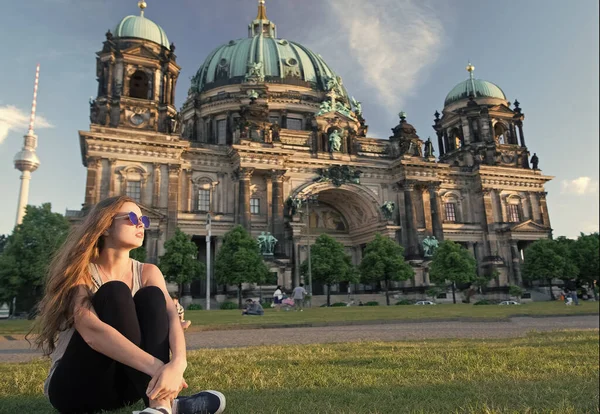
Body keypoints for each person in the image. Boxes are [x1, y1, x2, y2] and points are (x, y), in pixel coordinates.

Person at [30, 196, 225, 414]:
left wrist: (178, 364)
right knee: (115, 291)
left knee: (152, 296)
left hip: (126, 390)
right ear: (104, 227)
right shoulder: (80, 272)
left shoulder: (149, 272)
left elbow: (172, 318)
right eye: (132, 218)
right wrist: (159, 368)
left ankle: (160, 406)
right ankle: (173, 405)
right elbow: (92, 332)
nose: (141, 223)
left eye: (143, 219)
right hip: (75, 387)